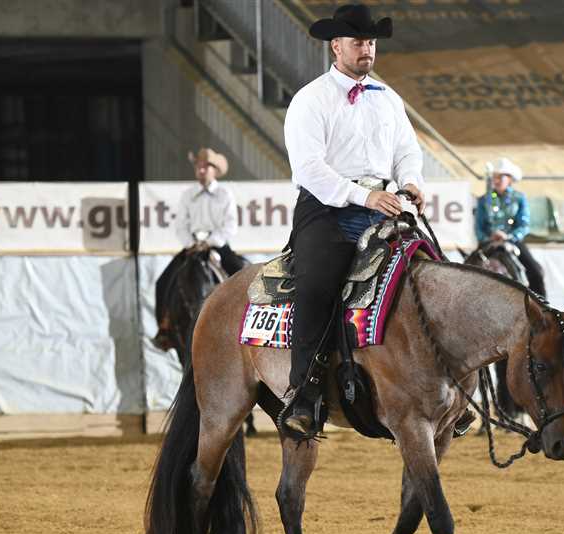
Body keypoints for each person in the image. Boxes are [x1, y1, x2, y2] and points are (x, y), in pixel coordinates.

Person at [279, 3, 426, 437]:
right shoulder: (311, 99)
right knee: (318, 286)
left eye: (371, 41)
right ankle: (303, 393)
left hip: (385, 204)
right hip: (327, 208)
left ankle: (439, 386)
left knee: (430, 273)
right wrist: (365, 195)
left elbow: (407, 150)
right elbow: (310, 168)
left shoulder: (388, 98)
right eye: (358, 42)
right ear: (336, 47)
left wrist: (411, 181)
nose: (367, 49)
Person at [152, 148, 246, 350]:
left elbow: (230, 226)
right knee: (163, 281)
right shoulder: (188, 195)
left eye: (205, 166)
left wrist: (210, 241)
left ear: (214, 170)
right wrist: (191, 243)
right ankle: (165, 327)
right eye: (198, 166)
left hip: (217, 245)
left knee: (244, 273)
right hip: (192, 246)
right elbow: (180, 225)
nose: (201, 170)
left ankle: (248, 324)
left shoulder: (224, 194)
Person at [475, 158, 547, 298]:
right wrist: (488, 238)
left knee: (536, 271)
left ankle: (541, 305)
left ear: (509, 179)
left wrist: (509, 237)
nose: (496, 180)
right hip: (488, 243)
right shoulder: (484, 200)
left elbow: (524, 225)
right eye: (495, 177)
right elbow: (479, 228)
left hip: (513, 242)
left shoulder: (519, 198)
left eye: (500, 177)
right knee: (469, 270)